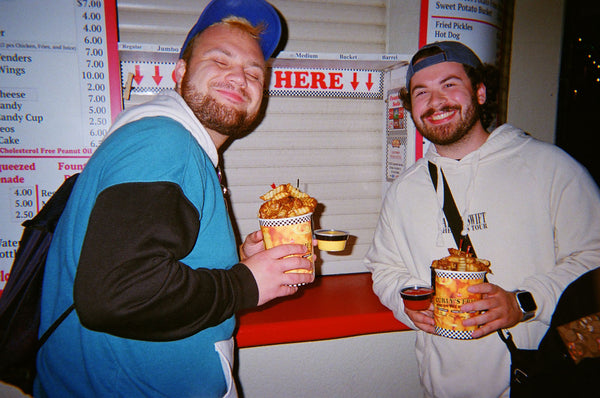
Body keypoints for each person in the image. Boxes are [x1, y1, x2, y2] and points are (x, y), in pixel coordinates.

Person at [34, 0, 314, 397]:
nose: (239, 77)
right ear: (180, 72)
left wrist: (235, 257)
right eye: (220, 61)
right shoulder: (164, 141)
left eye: (254, 72)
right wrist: (246, 283)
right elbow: (116, 294)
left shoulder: (177, 145)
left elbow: (151, 259)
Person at [364, 40, 600, 398]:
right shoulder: (404, 190)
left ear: (480, 91)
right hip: (441, 386)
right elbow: (384, 267)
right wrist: (407, 303)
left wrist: (523, 302)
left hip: (538, 375)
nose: (435, 101)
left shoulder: (551, 167)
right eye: (421, 92)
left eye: (449, 84)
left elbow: (594, 256)